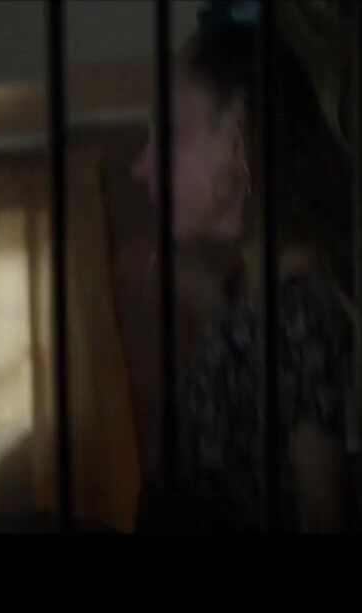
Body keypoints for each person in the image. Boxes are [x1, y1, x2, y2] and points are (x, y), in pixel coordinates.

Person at [130, 0, 359, 532]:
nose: (141, 166)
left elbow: (319, 512)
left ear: (239, 135)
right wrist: (213, 298)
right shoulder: (265, 301)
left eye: (167, 133)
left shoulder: (301, 311)